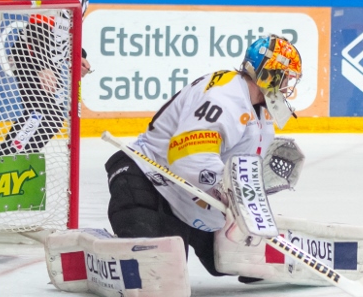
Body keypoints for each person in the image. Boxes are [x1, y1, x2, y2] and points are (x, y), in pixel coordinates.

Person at [104, 35, 302, 276]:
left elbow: (233, 166)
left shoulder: (262, 112)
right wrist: (233, 192)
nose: (287, 85)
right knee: (156, 274)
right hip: (148, 181)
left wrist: (252, 193)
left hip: (192, 196)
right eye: (286, 77)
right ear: (268, 73)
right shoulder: (224, 96)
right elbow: (190, 157)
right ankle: (98, 251)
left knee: (248, 266)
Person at [0, 0, 96, 156]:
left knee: (48, 118)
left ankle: (14, 160)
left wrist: (80, 55)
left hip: (44, 58)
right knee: (45, 114)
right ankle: (1, 161)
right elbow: (39, 27)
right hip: (30, 55)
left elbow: (68, 31)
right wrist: (43, 67)